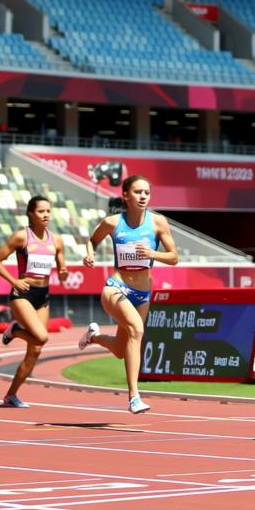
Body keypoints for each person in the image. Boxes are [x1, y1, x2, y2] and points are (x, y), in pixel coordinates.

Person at [80, 175, 178, 414]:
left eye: (146, 192)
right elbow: (92, 240)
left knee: (118, 349)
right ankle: (134, 397)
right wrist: (89, 255)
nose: (143, 196)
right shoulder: (112, 223)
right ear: (126, 195)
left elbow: (174, 257)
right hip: (116, 287)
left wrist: (152, 254)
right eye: (137, 192)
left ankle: (92, 337)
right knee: (137, 330)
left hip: (142, 294)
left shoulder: (158, 223)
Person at [0, 195, 69, 408]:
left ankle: (11, 395)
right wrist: (14, 280)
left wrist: (63, 272)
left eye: (48, 211)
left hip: (43, 296)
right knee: (42, 336)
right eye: (41, 211)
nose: (46, 215)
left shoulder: (57, 240)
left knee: (36, 348)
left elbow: (62, 269)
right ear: (31, 214)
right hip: (22, 294)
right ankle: (15, 330)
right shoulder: (21, 237)